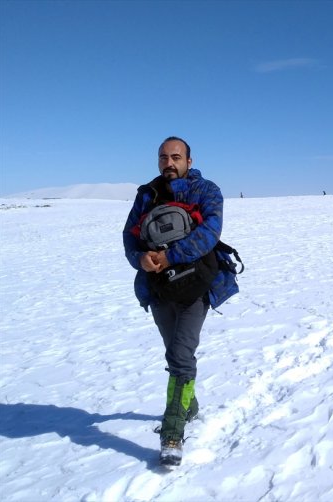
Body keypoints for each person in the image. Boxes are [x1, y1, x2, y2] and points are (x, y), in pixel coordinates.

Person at [122, 136, 237, 466]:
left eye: (175, 157)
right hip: (158, 290)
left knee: (180, 353)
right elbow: (129, 235)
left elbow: (210, 232)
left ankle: (172, 432)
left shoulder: (207, 191)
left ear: (189, 160)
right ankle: (190, 404)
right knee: (176, 355)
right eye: (163, 157)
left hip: (195, 289)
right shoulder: (147, 194)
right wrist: (140, 259)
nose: (168, 163)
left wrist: (170, 256)